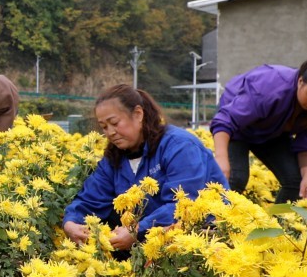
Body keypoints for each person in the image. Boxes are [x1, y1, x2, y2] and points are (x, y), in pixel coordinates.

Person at [62, 85, 227, 251]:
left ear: (138, 114)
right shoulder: (114, 159)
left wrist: (137, 230)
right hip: (150, 245)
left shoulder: (179, 146)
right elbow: (90, 199)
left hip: (204, 239)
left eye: (114, 123)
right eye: (104, 127)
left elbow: (183, 206)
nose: (110, 132)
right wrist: (71, 223)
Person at [210, 56, 307, 202]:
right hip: (236, 127)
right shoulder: (270, 87)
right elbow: (226, 121)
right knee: (235, 178)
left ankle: (274, 224)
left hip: (272, 132)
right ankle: (213, 222)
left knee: (296, 183)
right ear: (300, 81)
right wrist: (221, 159)